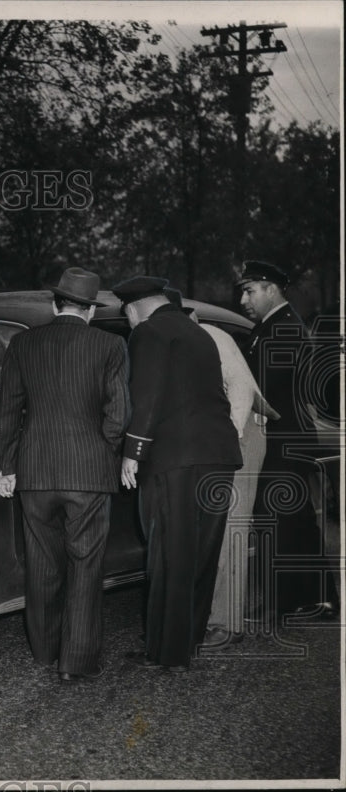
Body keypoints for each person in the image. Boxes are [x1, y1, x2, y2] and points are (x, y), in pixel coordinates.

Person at [0, 267, 129, 685]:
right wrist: (99, 450)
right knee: (86, 566)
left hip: (35, 471)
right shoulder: (111, 345)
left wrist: (6, 466)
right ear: (90, 311)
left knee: (42, 563)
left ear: (55, 305)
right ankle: (77, 661)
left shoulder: (22, 344)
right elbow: (119, 414)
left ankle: (44, 650)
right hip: (88, 473)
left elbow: (8, 412)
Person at [113, 276, 241, 673]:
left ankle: (165, 654)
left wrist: (132, 452)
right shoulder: (199, 332)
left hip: (174, 461)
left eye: (127, 316)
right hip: (218, 457)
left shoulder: (149, 332)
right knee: (200, 553)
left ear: (134, 310)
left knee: (168, 554)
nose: (129, 322)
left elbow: (146, 395)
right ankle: (189, 641)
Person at [165, 289, 273, 646]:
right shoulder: (186, 340)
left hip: (240, 435)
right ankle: (210, 614)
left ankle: (227, 625)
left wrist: (233, 438)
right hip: (221, 438)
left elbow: (241, 389)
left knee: (230, 528)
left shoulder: (211, 337)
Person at [236, 260, 332, 621]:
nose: (243, 298)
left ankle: (286, 601)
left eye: (249, 290)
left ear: (271, 289)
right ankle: (318, 597)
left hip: (284, 437)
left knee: (278, 519)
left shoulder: (285, 327)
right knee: (294, 518)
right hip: (283, 436)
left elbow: (263, 383)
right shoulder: (270, 326)